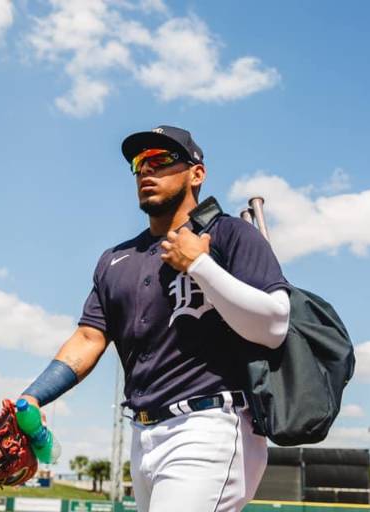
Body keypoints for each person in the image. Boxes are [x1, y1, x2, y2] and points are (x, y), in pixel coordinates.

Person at [19, 125, 291, 512]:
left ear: (197, 173)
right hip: (142, 434)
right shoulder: (115, 259)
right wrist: (32, 397)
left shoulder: (230, 235)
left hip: (209, 424)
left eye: (161, 160)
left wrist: (199, 264)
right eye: (139, 163)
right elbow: (88, 338)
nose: (146, 170)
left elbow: (275, 326)